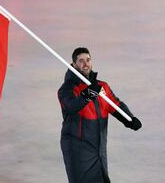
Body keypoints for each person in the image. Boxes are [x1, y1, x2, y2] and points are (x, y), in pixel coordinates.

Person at [57, 47, 142, 183]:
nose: (85, 63)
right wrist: (87, 94)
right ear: (73, 65)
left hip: (98, 147)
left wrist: (129, 119)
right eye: (81, 61)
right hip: (77, 148)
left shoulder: (101, 86)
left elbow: (115, 104)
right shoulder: (67, 89)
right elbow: (72, 106)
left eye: (88, 60)